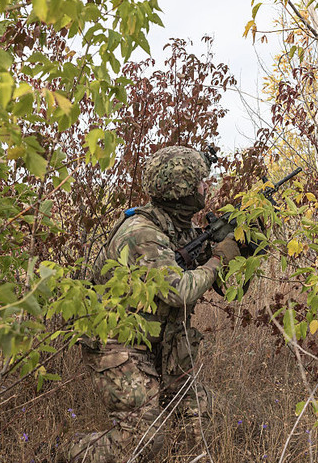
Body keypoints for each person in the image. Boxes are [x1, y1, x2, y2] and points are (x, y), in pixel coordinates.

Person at [60, 146, 241, 462]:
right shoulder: (143, 232)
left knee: (199, 414)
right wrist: (218, 258)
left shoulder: (177, 226)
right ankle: (69, 454)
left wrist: (241, 243)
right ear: (181, 191)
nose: (204, 187)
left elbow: (218, 281)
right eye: (200, 182)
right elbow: (180, 291)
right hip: (117, 344)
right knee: (143, 438)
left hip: (159, 341)